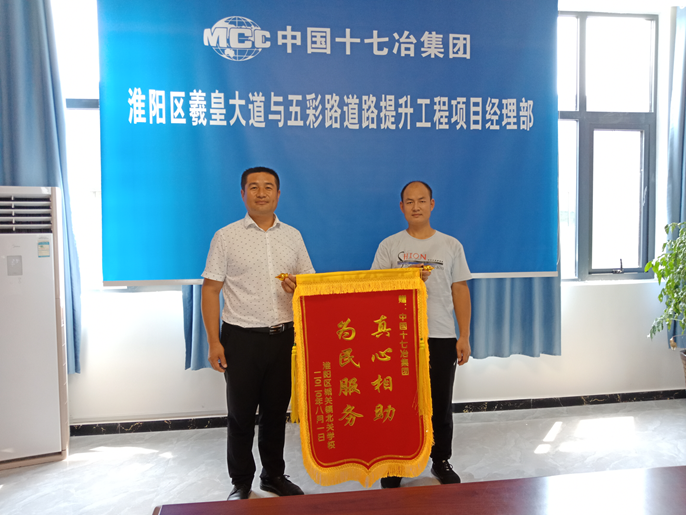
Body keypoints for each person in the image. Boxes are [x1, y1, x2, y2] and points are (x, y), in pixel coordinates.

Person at [201, 167, 315, 500]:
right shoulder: (226, 236)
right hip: (241, 339)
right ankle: (241, 482)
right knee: (240, 415)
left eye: (268, 187)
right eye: (253, 187)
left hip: (283, 338)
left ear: (278, 194)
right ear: (243, 194)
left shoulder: (292, 236)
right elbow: (210, 290)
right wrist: (214, 342)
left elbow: (310, 283)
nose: (261, 193)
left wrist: (298, 286)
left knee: (276, 413)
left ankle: (273, 475)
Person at [371, 180, 472, 488]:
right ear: (402, 207)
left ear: (432, 204)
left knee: (440, 403)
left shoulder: (450, 245)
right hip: (398, 337)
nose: (416, 207)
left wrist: (464, 336)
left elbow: (460, 290)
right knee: (399, 403)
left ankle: (440, 460)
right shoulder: (389, 246)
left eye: (422, 200)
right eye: (410, 202)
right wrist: (406, 278)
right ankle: (396, 463)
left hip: (440, 335)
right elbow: (375, 289)